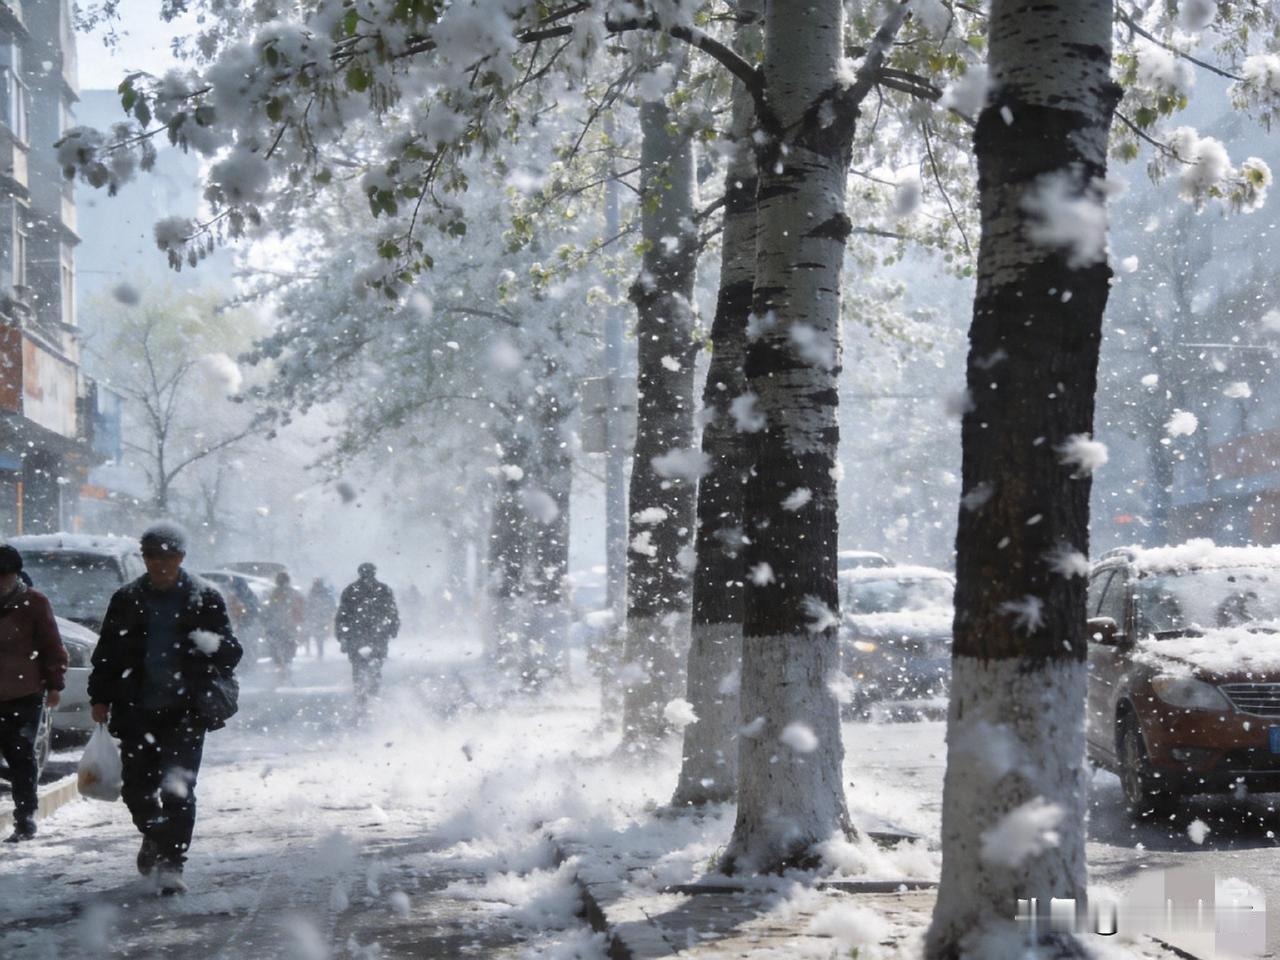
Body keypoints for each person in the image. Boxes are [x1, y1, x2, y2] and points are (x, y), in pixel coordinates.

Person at [88, 522, 242, 895]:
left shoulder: (205, 597)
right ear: (144, 558)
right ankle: (155, 836)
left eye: (168, 556)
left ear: (181, 557)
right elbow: (107, 652)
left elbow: (231, 653)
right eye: (153, 556)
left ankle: (172, 863)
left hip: (185, 711)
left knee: (179, 790)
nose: (160, 563)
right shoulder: (126, 598)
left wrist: (207, 644)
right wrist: (100, 696)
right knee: (137, 790)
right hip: (135, 709)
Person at [0, 545, 67, 842]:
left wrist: (54, 685)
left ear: (15, 575)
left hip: (23, 693)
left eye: (5, 576)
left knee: (20, 756)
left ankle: (25, 818)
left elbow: (53, 647)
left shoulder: (35, 603)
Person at [335, 563, 399, 715]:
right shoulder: (384, 589)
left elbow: (342, 615)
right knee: (376, 665)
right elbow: (392, 612)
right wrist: (392, 629)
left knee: (358, 667)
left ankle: (361, 696)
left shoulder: (350, 590)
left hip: (357, 636)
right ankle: (373, 694)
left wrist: (342, 635)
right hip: (378, 635)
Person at [263, 572, 303, 679]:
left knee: (276, 645)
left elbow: (267, 609)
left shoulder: (273, 593)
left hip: (277, 625)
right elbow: (300, 607)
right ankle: (286, 662)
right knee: (289, 644)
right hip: (288, 624)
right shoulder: (294, 593)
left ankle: (280, 664)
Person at [304, 578, 336, 660]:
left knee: (315, 634)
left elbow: (307, 604)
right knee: (320, 635)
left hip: (315, 617)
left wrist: (307, 614)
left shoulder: (311, 592)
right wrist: (330, 612)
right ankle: (320, 650)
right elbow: (331, 603)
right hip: (322, 617)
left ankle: (314, 649)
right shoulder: (325, 592)